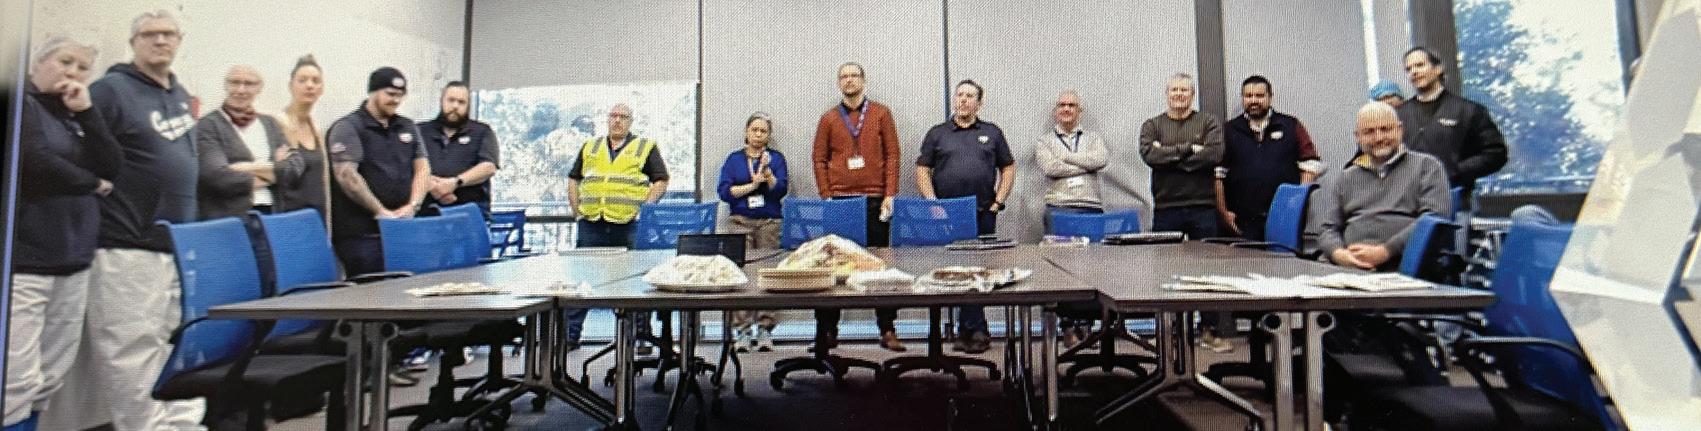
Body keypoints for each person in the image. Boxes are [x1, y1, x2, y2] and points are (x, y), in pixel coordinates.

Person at [47, 10, 207, 430]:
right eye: (150, 34)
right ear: (133, 42)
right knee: (131, 350)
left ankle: (184, 426)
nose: (160, 41)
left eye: (168, 34)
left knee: (179, 342)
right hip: (125, 242)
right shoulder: (110, 91)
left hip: (175, 244)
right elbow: (79, 153)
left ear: (179, 40)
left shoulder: (177, 92)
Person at [4, 36, 119, 431]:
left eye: (82, 67)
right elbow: (35, 161)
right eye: (64, 61)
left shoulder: (73, 114)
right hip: (26, 263)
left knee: (50, 375)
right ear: (38, 63)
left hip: (74, 259)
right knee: (15, 381)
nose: (72, 73)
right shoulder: (21, 103)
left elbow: (112, 163)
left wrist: (88, 113)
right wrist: (93, 183)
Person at [811, 62, 905, 352]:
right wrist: (826, 195)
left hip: (875, 199)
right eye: (844, 76)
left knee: (880, 266)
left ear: (863, 81)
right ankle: (827, 331)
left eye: (854, 75)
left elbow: (892, 155)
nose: (849, 80)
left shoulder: (881, 113)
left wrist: (890, 194)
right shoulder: (828, 118)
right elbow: (819, 159)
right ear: (839, 83)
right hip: (840, 200)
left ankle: (887, 329)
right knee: (833, 264)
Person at [916, 79, 1015, 354]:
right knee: (956, 272)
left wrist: (998, 201)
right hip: (947, 215)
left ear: (979, 103)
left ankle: (973, 330)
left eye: (970, 96)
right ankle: (972, 330)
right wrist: (932, 204)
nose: (963, 100)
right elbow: (922, 169)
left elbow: (1008, 167)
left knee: (979, 271)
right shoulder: (938, 133)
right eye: (959, 95)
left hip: (983, 212)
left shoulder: (992, 132)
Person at [561, 103, 670, 348]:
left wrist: (644, 208)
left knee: (633, 280)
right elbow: (573, 178)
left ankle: (640, 337)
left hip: (627, 223)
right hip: (592, 223)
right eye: (613, 116)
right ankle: (570, 336)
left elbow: (661, 180)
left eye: (623, 117)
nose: (617, 120)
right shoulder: (590, 146)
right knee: (582, 280)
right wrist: (576, 211)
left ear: (630, 122)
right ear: (607, 119)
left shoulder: (644, 147)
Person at [1138, 73, 1229, 352]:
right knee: (1166, 271)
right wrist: (1190, 149)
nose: (1179, 94)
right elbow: (1150, 156)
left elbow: (1214, 155)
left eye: (1184, 90)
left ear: (1192, 94)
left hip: (1203, 207)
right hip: (1167, 208)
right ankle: (1171, 330)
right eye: (1174, 90)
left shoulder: (1208, 122)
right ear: (1167, 93)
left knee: (1207, 270)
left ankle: (1209, 330)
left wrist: (1170, 157)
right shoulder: (1152, 125)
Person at [1315, 102, 1453, 272]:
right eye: (1369, 132)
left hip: (1402, 269)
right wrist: (1339, 254)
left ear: (1400, 129)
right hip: (1345, 268)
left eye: (1385, 129)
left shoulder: (1427, 167)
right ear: (1358, 137)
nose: (1379, 138)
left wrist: (1385, 251)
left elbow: (1434, 219)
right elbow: (1327, 228)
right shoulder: (1347, 177)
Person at [327, 67, 432, 275]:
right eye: (390, 94)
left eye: (400, 95)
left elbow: (423, 168)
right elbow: (346, 175)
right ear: (373, 92)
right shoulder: (348, 127)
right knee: (373, 289)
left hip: (403, 227)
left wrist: (413, 205)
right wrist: (380, 211)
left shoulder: (407, 126)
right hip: (363, 233)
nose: (396, 100)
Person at [1215, 75, 1323, 241]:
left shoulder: (1290, 125)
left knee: (1283, 258)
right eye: (1248, 96)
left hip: (1285, 217)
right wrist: (1223, 212)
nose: (1253, 101)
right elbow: (1218, 174)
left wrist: (1297, 205)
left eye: (1259, 96)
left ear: (1270, 97)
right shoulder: (1228, 130)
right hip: (1242, 220)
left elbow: (1310, 165)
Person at [1397, 47, 1507, 206]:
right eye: (1409, 69)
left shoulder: (1469, 111)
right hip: (1408, 203)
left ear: (1438, 68)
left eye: (1420, 65)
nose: (1414, 72)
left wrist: (1456, 170)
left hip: (1456, 201)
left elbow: (1496, 153)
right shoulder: (1398, 115)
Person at [716, 112, 788, 352]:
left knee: (768, 274)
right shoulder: (734, 159)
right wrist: (753, 185)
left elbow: (780, 190)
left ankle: (765, 329)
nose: (758, 134)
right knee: (741, 274)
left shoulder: (776, 158)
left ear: (769, 135)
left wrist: (769, 177)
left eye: (763, 131)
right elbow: (725, 192)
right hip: (740, 222)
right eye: (754, 130)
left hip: (768, 222)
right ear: (747, 132)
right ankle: (742, 330)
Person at [194, 65, 289, 219]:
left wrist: (245, 167)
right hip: (231, 218)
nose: (241, 90)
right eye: (235, 82)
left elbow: (294, 167)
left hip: (272, 215)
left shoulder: (270, 124)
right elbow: (216, 176)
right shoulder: (208, 125)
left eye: (249, 84)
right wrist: (274, 173)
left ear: (259, 88)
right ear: (226, 85)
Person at [419, 81, 500, 214]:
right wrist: (433, 186)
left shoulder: (482, 132)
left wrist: (455, 183)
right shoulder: (420, 131)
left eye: (461, 102)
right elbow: (405, 167)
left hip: (469, 214)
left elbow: (488, 167)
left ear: (468, 106)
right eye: (451, 100)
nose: (455, 106)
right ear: (441, 101)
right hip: (425, 214)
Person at [1035, 90, 1109, 228]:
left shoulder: (1094, 138)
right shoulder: (1044, 141)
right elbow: (1051, 168)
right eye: (1062, 105)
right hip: (1058, 207)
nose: (1066, 109)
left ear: (1080, 112)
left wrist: (1066, 157)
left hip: (1091, 207)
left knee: (1095, 243)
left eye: (1071, 105)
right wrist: (1087, 167)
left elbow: (1100, 160)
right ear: (1055, 111)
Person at [273, 54, 331, 227]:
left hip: (317, 221)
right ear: (291, 86)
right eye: (302, 80)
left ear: (322, 88)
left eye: (315, 81)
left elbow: (323, 184)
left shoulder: (318, 131)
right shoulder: (276, 124)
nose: (309, 85)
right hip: (288, 221)